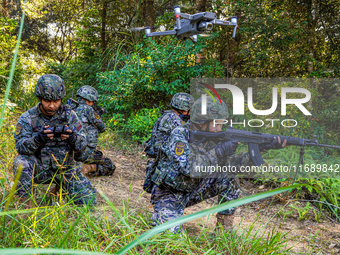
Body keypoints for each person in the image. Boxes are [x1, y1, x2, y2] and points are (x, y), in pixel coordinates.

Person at [148, 97, 287, 233]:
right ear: (201, 120)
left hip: (193, 190)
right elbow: (189, 168)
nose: (219, 128)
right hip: (170, 193)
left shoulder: (214, 137)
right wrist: (219, 151)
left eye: (222, 123)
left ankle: (224, 232)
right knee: (171, 238)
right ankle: (164, 216)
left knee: (228, 175)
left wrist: (263, 148)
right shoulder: (180, 134)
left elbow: (234, 165)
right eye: (216, 123)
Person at [13, 74, 96, 208]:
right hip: (41, 168)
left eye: (56, 101)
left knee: (88, 201)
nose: (52, 105)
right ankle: (25, 206)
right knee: (21, 162)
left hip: (66, 168)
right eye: (47, 101)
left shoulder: (69, 115)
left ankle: (59, 189)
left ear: (61, 98)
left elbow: (82, 146)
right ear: (40, 98)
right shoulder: (28, 117)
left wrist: (72, 138)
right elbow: (21, 148)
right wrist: (38, 139)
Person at [142, 92, 194, 192]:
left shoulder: (167, 116)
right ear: (184, 110)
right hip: (165, 161)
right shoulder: (177, 122)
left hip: (158, 156)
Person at [73, 85, 115, 177]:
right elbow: (102, 128)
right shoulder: (88, 109)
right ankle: (87, 168)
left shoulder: (69, 109)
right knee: (109, 165)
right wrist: (97, 115)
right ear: (88, 100)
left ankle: (77, 165)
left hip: (68, 153)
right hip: (83, 153)